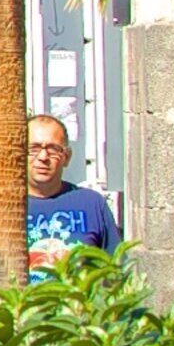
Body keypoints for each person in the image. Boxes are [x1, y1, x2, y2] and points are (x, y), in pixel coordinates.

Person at [23, 113, 120, 277]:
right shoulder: (4, 207)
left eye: (53, 149)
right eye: (34, 149)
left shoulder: (91, 204)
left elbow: (114, 271)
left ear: (66, 158)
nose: (43, 157)